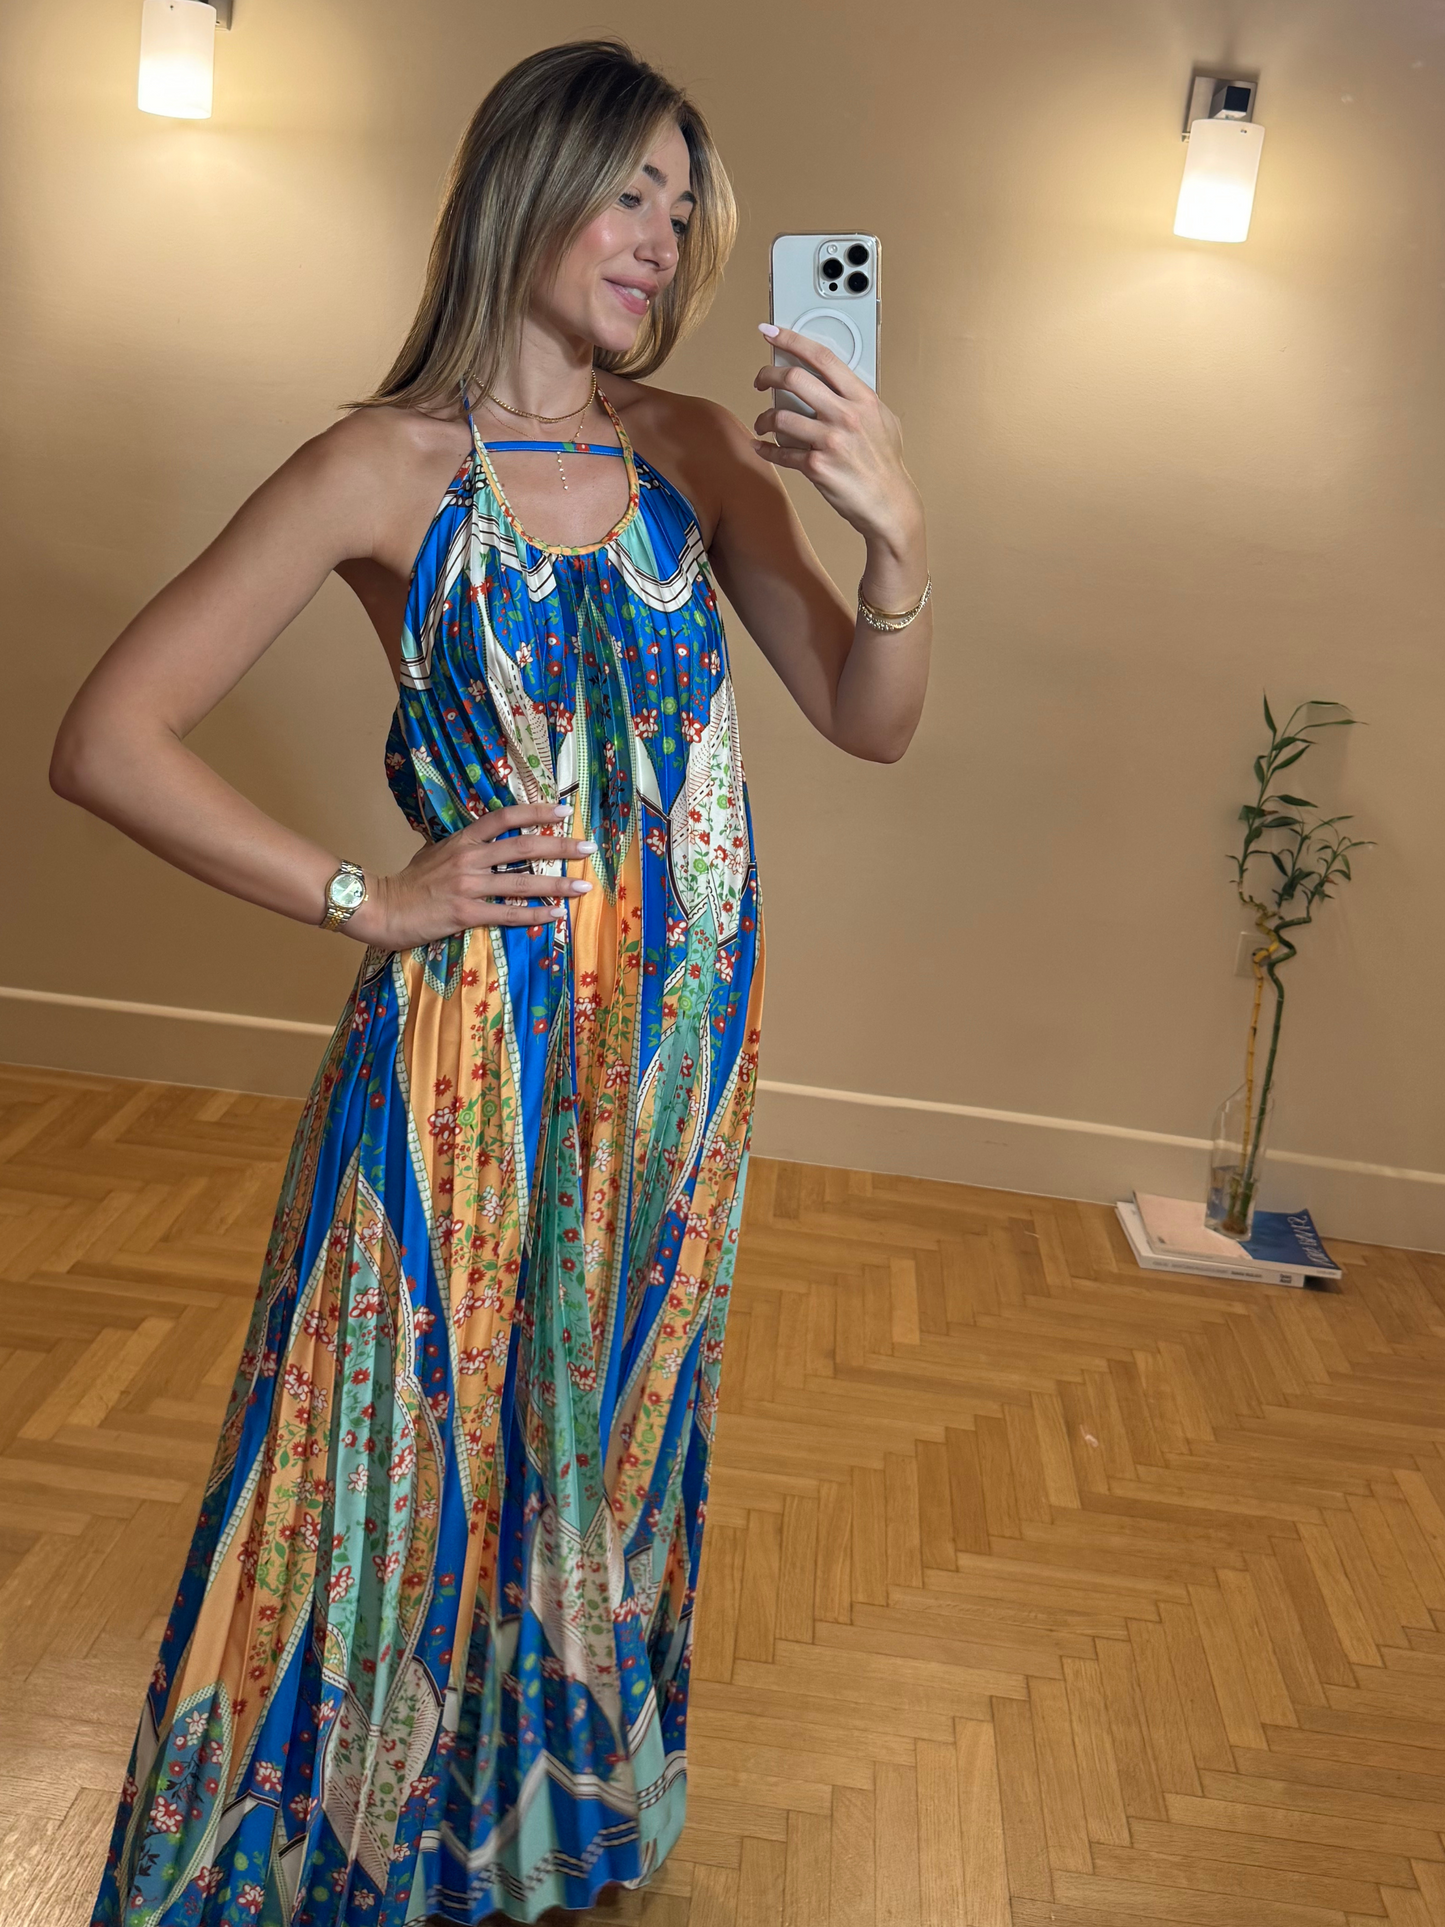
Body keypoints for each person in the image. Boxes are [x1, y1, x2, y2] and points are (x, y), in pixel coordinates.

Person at [55, 38, 931, 1926]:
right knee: (384, 1454)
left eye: (684, 208)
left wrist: (895, 538)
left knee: (599, 1450)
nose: (663, 238)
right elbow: (107, 736)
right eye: (629, 191)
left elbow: (871, 720)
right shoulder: (382, 467)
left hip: (676, 1065)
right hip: (471, 1055)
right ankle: (303, 1868)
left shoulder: (694, 451)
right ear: (525, 186)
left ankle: (523, 1846)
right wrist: (367, 897)